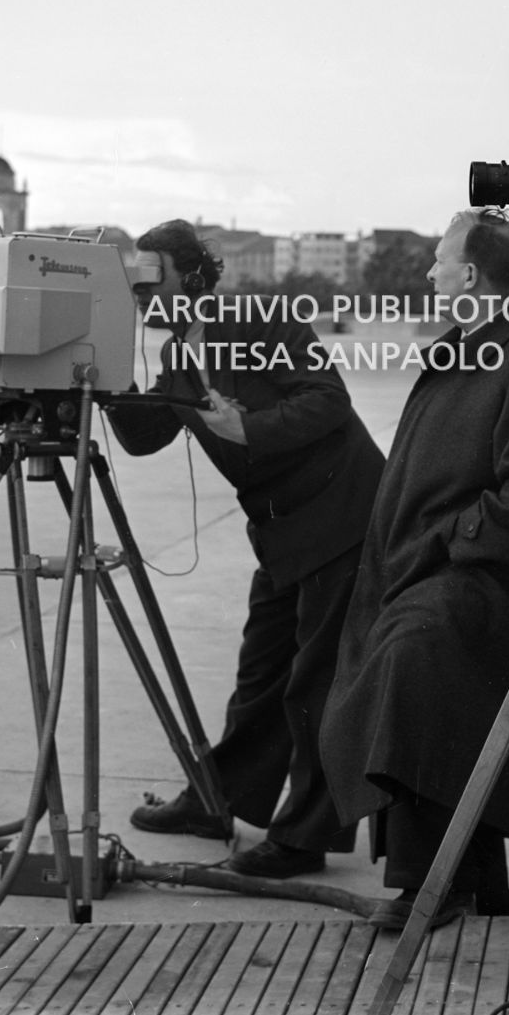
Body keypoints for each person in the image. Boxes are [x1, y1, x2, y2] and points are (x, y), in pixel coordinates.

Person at [319, 208, 509, 930]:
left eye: (440, 260)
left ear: (470, 275)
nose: (429, 270)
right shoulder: (462, 351)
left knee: (412, 661)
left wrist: (446, 539)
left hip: (487, 584)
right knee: (397, 664)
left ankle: (428, 885)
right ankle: (481, 886)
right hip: (428, 572)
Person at [105, 220, 385, 878]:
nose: (143, 296)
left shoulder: (259, 319)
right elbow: (144, 437)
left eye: (152, 281)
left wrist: (246, 427)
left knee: (317, 682)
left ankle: (304, 838)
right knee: (262, 673)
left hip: (341, 517)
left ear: (192, 277)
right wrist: (100, 370)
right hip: (283, 531)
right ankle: (218, 801)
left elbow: (328, 399)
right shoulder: (179, 358)